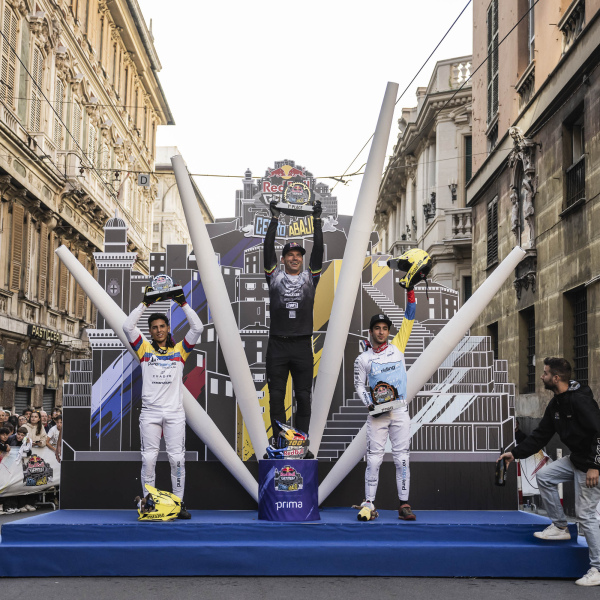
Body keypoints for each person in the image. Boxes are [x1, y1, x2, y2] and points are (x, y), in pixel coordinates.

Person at [499, 357, 600, 586]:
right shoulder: (556, 404)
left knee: (586, 515)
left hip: (591, 466)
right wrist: (514, 454)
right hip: (576, 460)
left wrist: (595, 465)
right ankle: (560, 526)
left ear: (556, 378)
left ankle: (598, 568)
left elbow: (599, 432)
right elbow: (539, 436)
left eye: (544, 374)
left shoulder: (580, 401)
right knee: (545, 476)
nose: (541, 377)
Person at [123, 285, 203, 520]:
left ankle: (178, 504)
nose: (158, 330)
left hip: (175, 413)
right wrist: (145, 304)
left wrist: (184, 304)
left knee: (177, 460)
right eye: (154, 328)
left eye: (162, 327)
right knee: (148, 459)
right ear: (150, 331)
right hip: (150, 413)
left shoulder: (180, 350)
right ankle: (148, 503)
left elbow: (198, 327)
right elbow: (127, 326)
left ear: (168, 329)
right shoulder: (144, 349)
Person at [263, 200, 323, 449]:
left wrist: (317, 222)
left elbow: (318, 251)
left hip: (301, 345)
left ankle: (301, 442)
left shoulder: (311, 277)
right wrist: (274, 220)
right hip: (277, 344)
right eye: (290, 255)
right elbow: (266, 250)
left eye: (299, 255)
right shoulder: (274, 276)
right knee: (276, 397)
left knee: (303, 397)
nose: (295, 258)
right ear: (284, 258)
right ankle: (280, 440)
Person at [353, 288, 416, 522]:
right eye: (377, 328)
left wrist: (410, 290)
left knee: (402, 459)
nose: (381, 332)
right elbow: (359, 385)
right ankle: (369, 503)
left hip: (399, 411)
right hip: (377, 414)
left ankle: (404, 505)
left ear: (389, 332)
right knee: (374, 460)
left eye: (385, 329)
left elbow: (409, 316)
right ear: (371, 332)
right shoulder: (363, 358)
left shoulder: (398, 346)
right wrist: (369, 403)